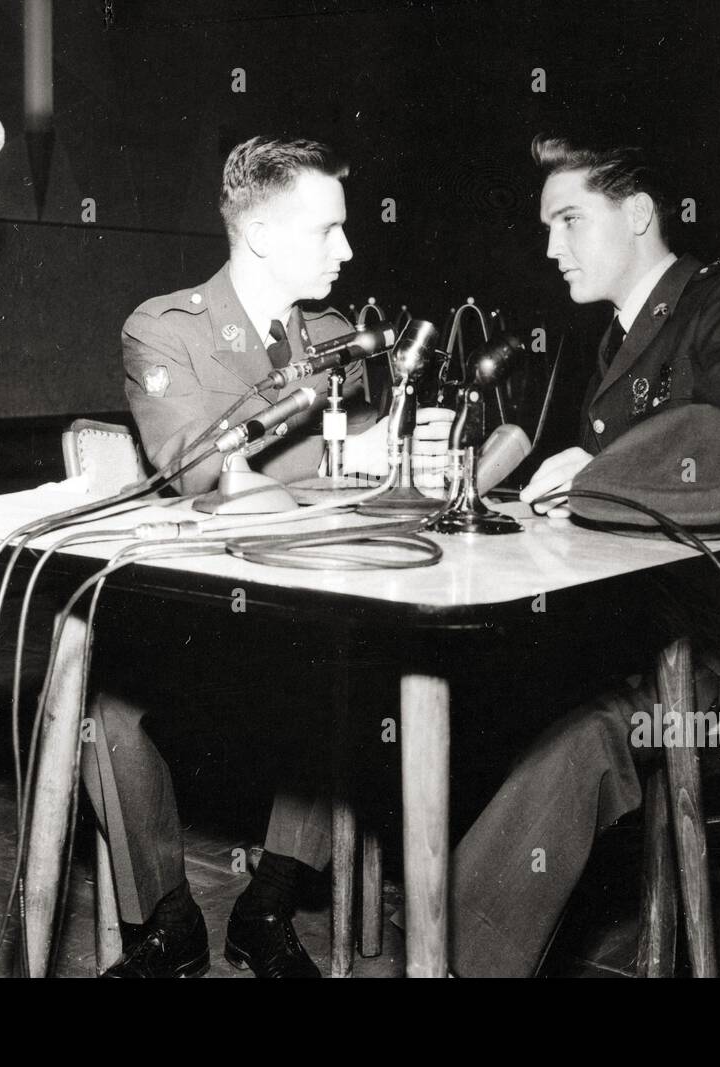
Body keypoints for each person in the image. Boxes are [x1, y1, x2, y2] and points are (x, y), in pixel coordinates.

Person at [445, 137, 720, 977]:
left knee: (580, 738)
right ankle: (449, 927)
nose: (551, 248)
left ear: (640, 215)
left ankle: (459, 960)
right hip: (643, 627)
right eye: (547, 226)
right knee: (458, 676)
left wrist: (593, 474)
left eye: (570, 220)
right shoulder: (615, 341)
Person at [86, 136, 448, 979]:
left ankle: (270, 903)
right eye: (327, 231)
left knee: (354, 673)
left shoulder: (343, 339)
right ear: (257, 234)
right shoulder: (165, 326)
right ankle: (167, 917)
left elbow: (380, 469)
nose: (348, 250)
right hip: (201, 608)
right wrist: (295, 472)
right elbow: (194, 467)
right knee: (105, 703)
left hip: (311, 606)